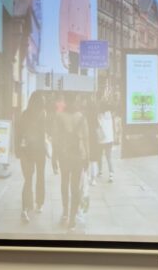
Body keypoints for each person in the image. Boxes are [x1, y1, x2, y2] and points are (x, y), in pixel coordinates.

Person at [52, 93, 89, 230]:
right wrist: (88, 158)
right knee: (75, 187)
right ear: (76, 101)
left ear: (66, 102)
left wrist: (54, 157)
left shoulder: (59, 117)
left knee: (64, 183)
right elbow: (86, 139)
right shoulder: (81, 117)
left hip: (64, 155)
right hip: (78, 156)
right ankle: (72, 218)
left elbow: (55, 138)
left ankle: (65, 213)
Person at [17, 92, 48, 223]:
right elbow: (46, 132)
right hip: (38, 150)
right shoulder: (43, 114)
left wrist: (17, 149)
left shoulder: (25, 114)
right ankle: (38, 203)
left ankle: (26, 208)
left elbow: (18, 132)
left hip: (28, 150)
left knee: (28, 179)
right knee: (39, 177)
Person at [94, 98, 115, 182]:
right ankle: (111, 174)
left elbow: (98, 127)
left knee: (99, 156)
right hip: (110, 139)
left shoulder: (98, 115)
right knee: (109, 157)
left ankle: (100, 171)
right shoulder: (110, 114)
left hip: (101, 139)